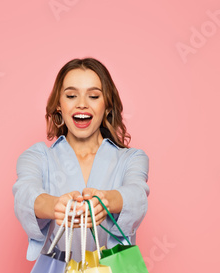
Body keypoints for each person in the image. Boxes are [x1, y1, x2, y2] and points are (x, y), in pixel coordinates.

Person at [12, 57, 150, 262]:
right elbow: (25, 194)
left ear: (108, 107)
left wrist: (106, 202)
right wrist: (56, 206)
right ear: (59, 105)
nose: (82, 104)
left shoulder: (131, 159)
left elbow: (137, 194)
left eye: (93, 96)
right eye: (71, 95)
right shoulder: (38, 157)